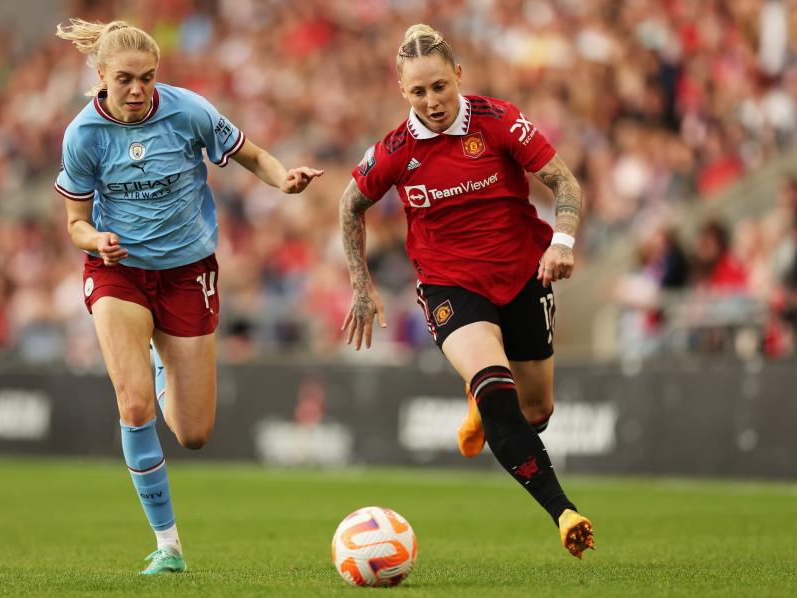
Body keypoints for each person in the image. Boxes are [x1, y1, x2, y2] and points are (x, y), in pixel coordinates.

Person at [55, 19, 322, 575]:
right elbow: (76, 222)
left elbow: (249, 152)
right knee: (134, 406)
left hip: (187, 273)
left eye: (146, 78)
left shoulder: (188, 110)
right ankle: (168, 545)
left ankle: (161, 363)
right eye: (124, 79)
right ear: (100, 77)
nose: (137, 90)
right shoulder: (82, 134)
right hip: (118, 273)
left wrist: (282, 179)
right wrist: (96, 240)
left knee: (194, 433)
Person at [339, 24, 594, 558]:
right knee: (496, 390)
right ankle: (563, 510)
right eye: (417, 91)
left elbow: (565, 182)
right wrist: (361, 287)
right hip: (450, 284)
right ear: (401, 91)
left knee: (537, 411)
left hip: (526, 273)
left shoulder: (500, 121)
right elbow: (349, 206)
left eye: (439, 87)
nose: (431, 101)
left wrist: (562, 242)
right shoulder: (394, 150)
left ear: (458, 75)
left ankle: (480, 401)